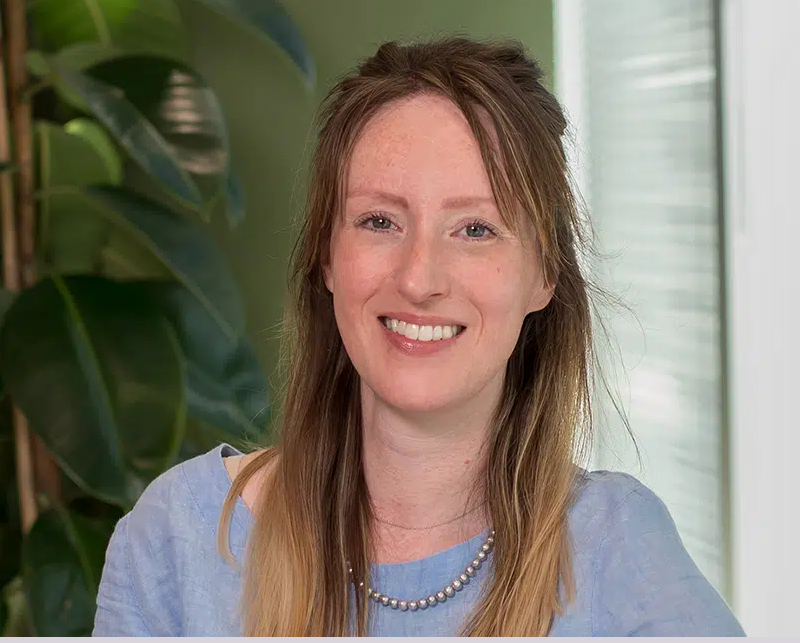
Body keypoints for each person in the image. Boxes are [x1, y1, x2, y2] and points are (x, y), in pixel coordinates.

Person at [92, 37, 745, 637]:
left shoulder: (621, 549)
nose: (418, 279)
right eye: (379, 221)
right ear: (327, 257)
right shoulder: (178, 537)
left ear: (544, 275)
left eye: (476, 228)